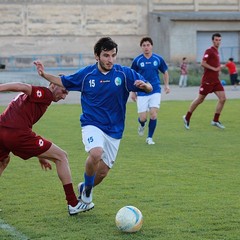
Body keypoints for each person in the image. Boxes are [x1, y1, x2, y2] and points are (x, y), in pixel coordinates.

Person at [34, 37, 152, 211]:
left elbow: (148, 86)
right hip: (92, 123)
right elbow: (64, 81)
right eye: (106, 55)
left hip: (115, 130)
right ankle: (87, 194)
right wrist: (44, 75)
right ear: (97, 56)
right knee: (96, 153)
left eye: (113, 55)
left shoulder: (124, 73)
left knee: (103, 172)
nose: (110, 59)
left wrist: (145, 87)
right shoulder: (86, 74)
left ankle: (85, 187)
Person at [0, 82, 86, 216]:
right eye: (63, 91)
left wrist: (40, 156)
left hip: (2, 130)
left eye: (66, 94)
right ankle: (73, 203)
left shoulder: (39, 99)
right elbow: (21, 86)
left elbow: (24, 119)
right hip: (17, 133)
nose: (63, 97)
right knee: (61, 156)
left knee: (3, 161)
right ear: (53, 85)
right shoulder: (45, 93)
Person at [130, 37, 170, 145]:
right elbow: (132, 76)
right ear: (141, 47)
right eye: (144, 45)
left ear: (151, 46)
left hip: (155, 89)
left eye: (148, 45)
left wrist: (166, 85)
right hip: (142, 91)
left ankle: (149, 138)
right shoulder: (137, 60)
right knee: (143, 118)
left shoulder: (158, 59)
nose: (146, 47)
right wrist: (133, 92)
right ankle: (142, 125)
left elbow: (165, 71)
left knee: (153, 114)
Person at [183, 32, 226, 130]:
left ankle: (215, 120)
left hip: (216, 81)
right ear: (212, 40)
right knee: (200, 100)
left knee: (223, 99)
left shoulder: (216, 51)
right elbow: (203, 63)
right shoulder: (209, 51)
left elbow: (214, 65)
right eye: (216, 40)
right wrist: (214, 69)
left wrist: (218, 69)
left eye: (219, 40)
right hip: (208, 81)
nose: (218, 42)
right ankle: (187, 117)